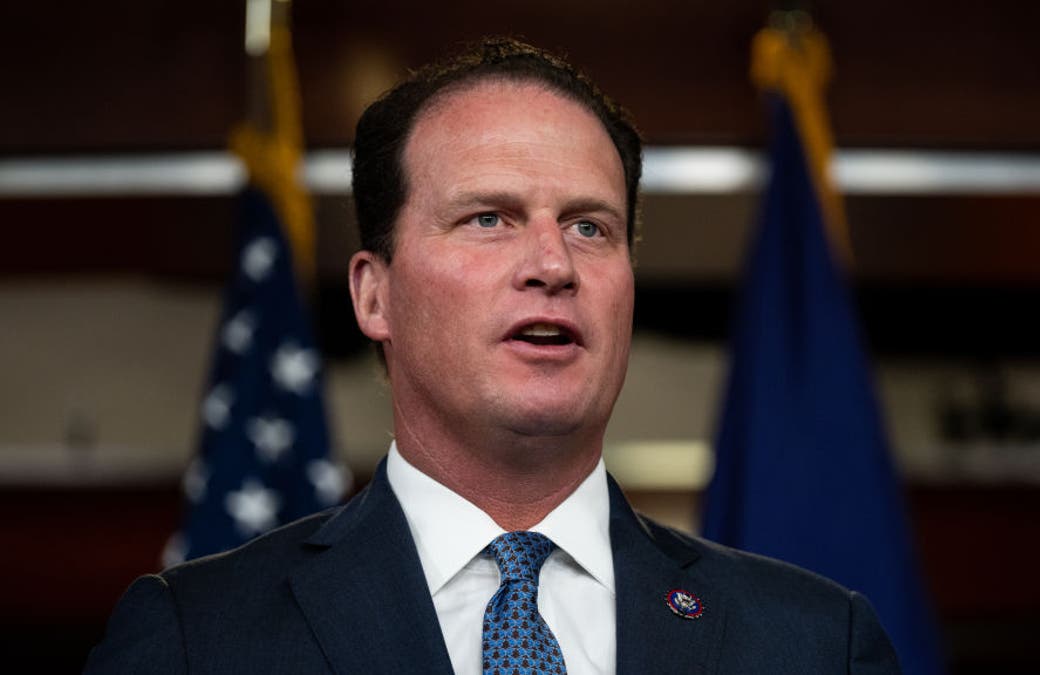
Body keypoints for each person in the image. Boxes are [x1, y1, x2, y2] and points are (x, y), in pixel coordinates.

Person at [85, 37, 901, 674]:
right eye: (489, 218)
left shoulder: (817, 644)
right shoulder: (197, 638)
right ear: (374, 296)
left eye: (590, 226)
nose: (553, 263)